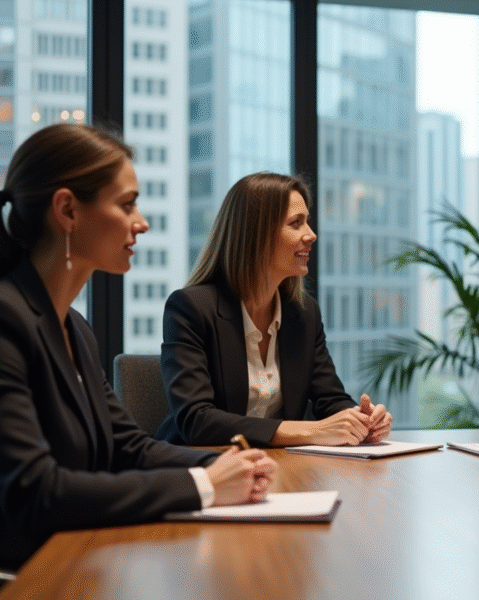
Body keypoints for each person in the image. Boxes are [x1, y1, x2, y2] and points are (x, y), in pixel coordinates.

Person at [0, 124, 278, 571]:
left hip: (78, 557)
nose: (141, 222)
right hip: (17, 577)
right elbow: (36, 493)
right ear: (67, 210)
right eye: (127, 204)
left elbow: (128, 448)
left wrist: (232, 461)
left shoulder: (76, 329)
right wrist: (204, 484)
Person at [155, 173, 392, 447]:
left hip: (277, 467)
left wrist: (361, 421)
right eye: (296, 223)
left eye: (307, 222)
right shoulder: (191, 308)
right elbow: (196, 420)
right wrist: (309, 431)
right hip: (202, 470)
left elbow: (330, 399)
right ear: (256, 234)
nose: (311, 235)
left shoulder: (304, 313)